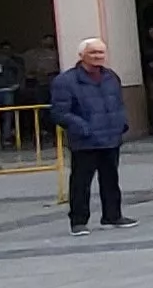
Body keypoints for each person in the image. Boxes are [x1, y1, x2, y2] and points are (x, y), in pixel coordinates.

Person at [47, 39, 133, 236]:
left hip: (110, 136)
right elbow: (60, 112)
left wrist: (121, 123)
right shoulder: (66, 81)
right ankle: (78, 221)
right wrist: (82, 127)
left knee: (111, 178)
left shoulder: (111, 77)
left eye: (101, 53)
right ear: (82, 55)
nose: (97, 57)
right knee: (81, 182)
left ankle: (113, 215)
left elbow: (118, 103)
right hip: (84, 140)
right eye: (93, 52)